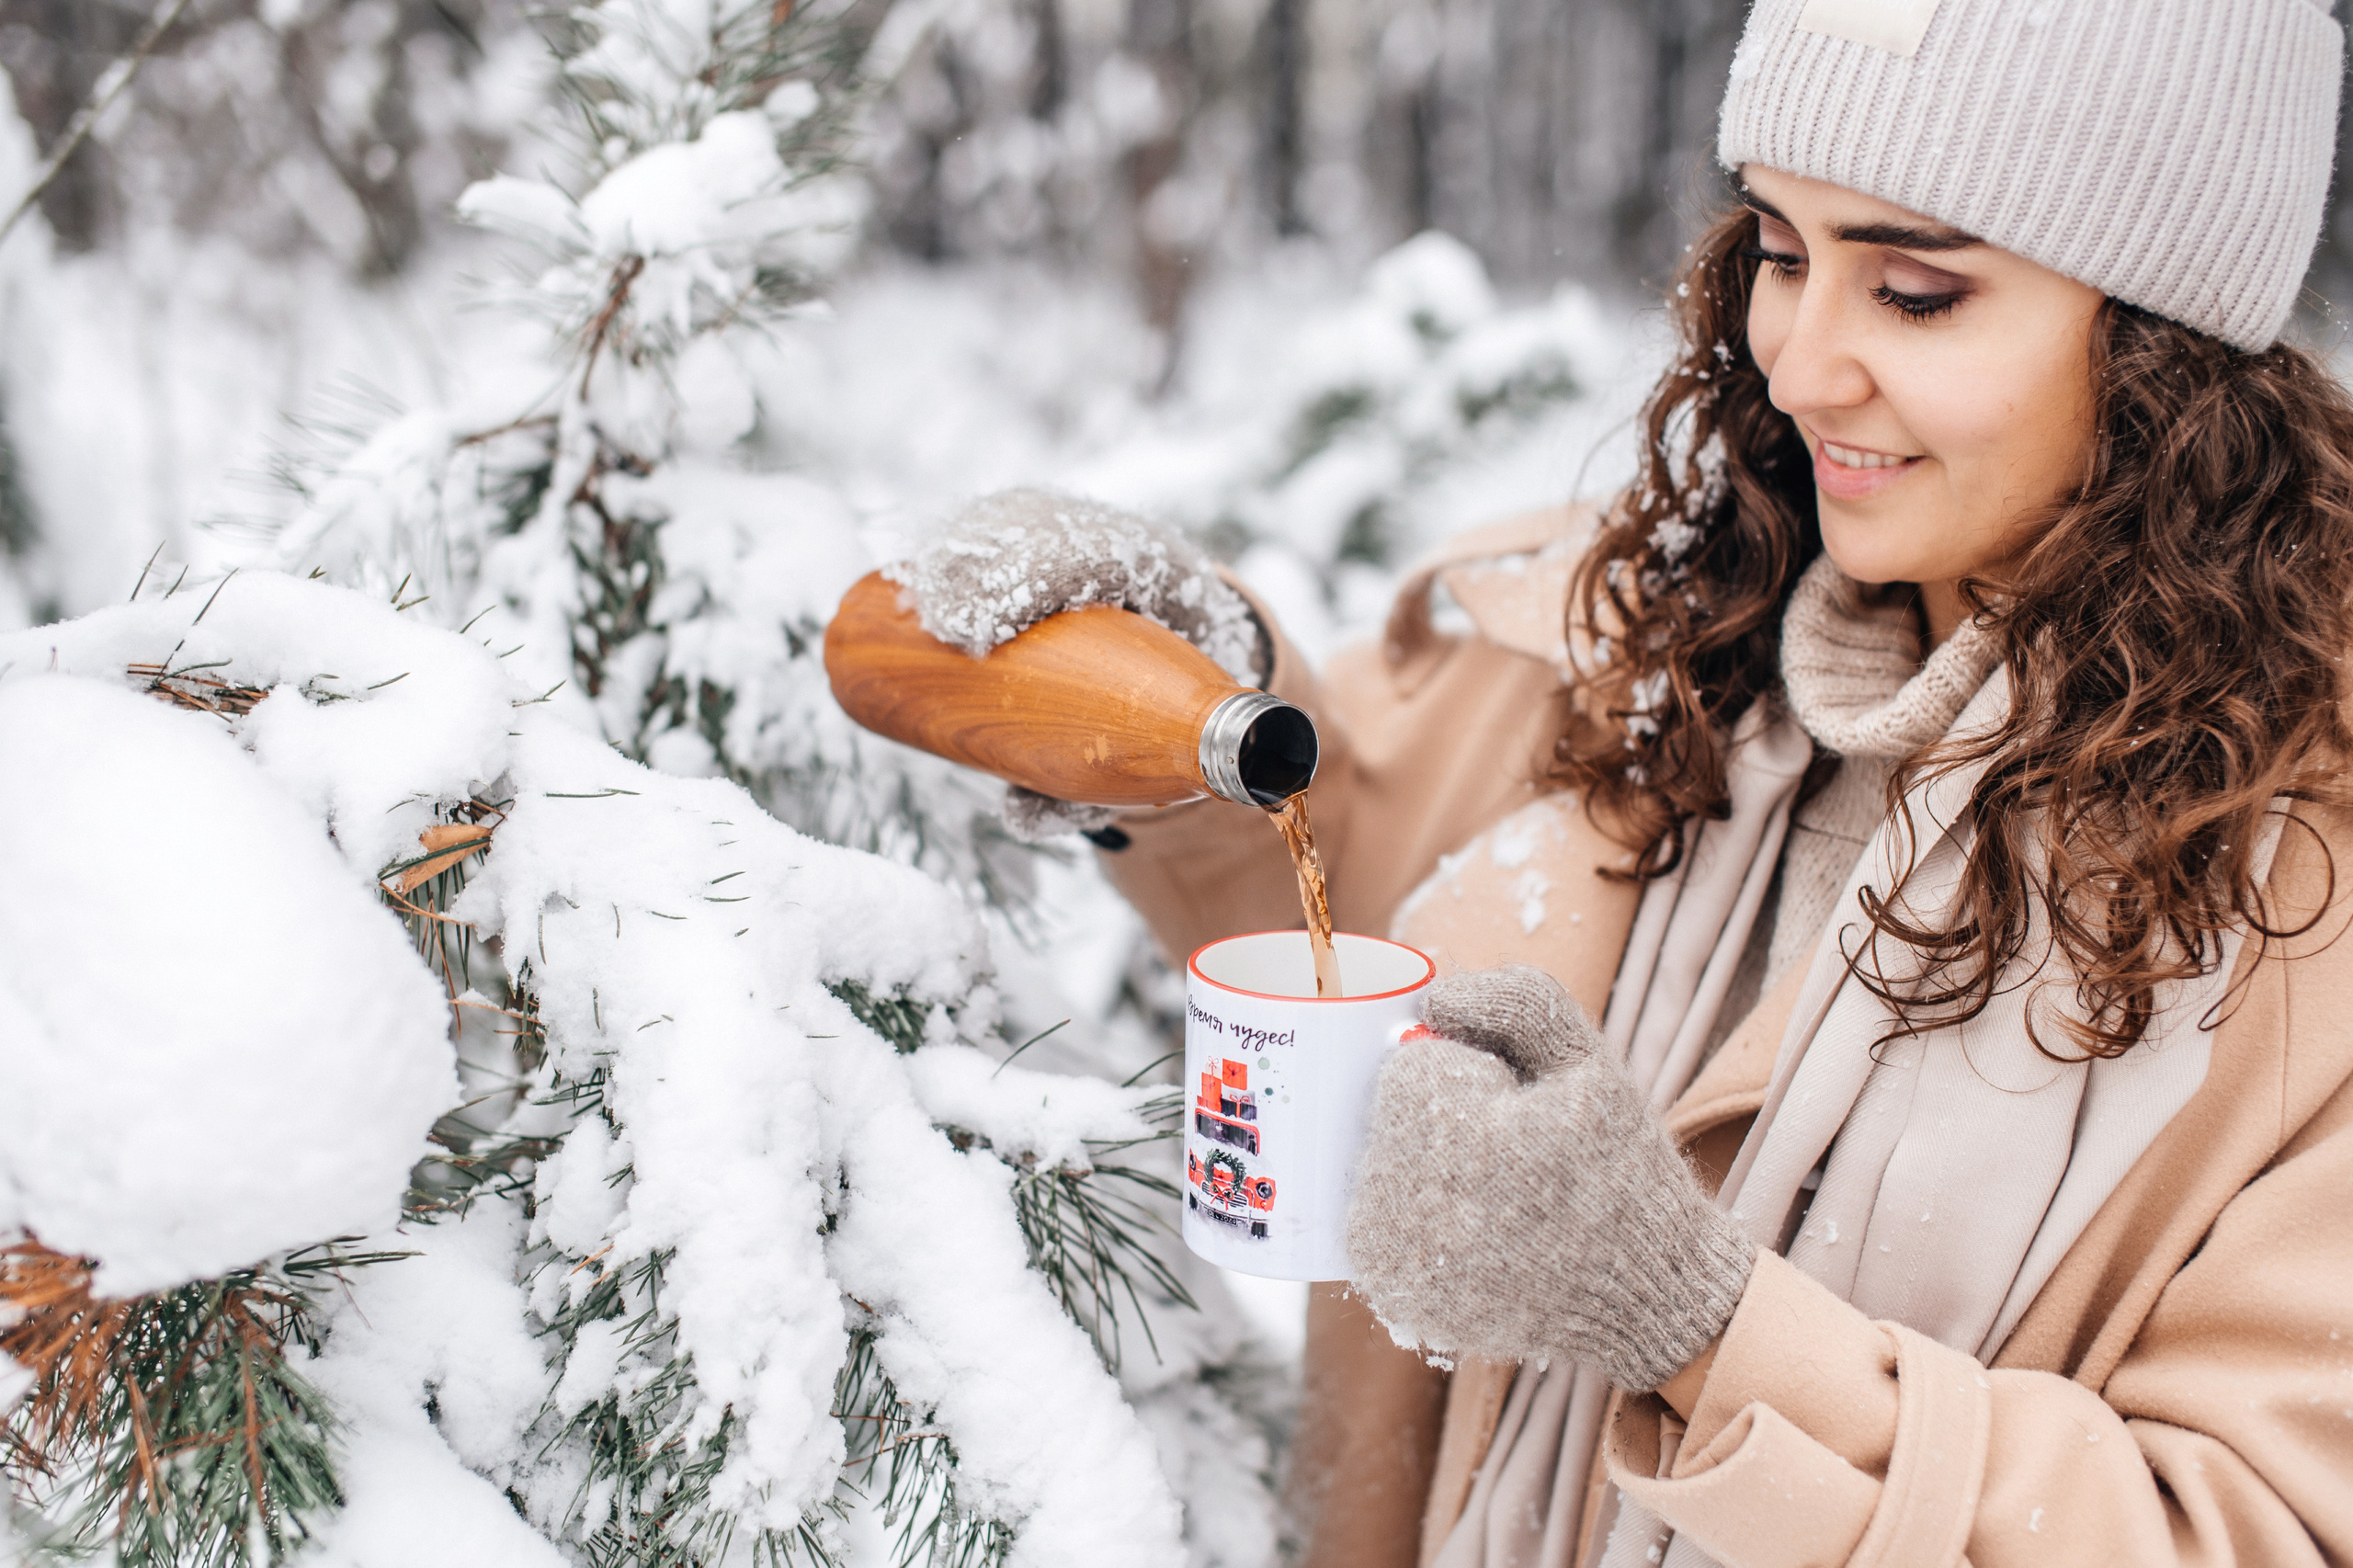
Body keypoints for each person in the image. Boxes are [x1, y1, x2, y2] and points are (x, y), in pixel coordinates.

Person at [891, 0, 2353, 1562]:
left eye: (1918, 292)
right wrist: (1193, 709)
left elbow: (2252, 1529)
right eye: (1782, 253)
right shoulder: (1673, 630)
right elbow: (1379, 921)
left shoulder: (2301, 912)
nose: (1797, 365)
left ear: (2166, 353)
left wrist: (1700, 1321)